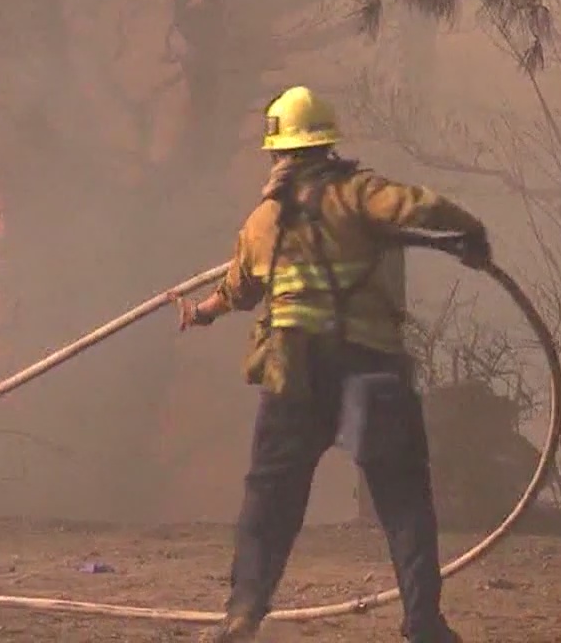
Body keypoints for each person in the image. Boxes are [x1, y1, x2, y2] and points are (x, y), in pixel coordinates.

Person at [170, 85, 491, 643]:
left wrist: (199, 313)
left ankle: (242, 615)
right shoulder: (360, 192)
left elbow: (237, 292)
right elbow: (424, 205)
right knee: (403, 498)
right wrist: (472, 232)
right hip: (370, 368)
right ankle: (423, 623)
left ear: (279, 154)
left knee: (270, 500)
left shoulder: (263, 220)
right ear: (326, 144)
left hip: (293, 371)